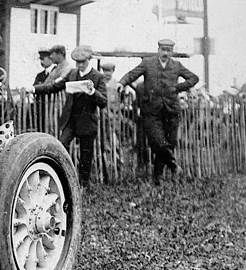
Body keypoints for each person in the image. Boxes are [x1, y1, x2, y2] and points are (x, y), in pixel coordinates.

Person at [119, 38, 200, 183]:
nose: (165, 53)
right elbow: (132, 74)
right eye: (163, 50)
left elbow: (194, 78)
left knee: (170, 142)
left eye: (169, 50)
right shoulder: (148, 63)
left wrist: (178, 88)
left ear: (172, 52)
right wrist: (122, 83)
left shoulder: (177, 65)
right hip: (151, 109)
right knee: (157, 141)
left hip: (171, 109)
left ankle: (158, 176)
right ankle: (174, 166)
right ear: (158, 50)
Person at [27, 45, 107, 187]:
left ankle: (83, 185)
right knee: (61, 147)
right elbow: (53, 87)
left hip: (87, 122)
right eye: (78, 62)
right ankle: (63, 180)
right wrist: (34, 89)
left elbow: (103, 102)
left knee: (85, 155)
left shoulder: (98, 77)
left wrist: (92, 91)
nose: (80, 65)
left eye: (83, 62)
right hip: (71, 120)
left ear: (89, 60)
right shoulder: (72, 74)